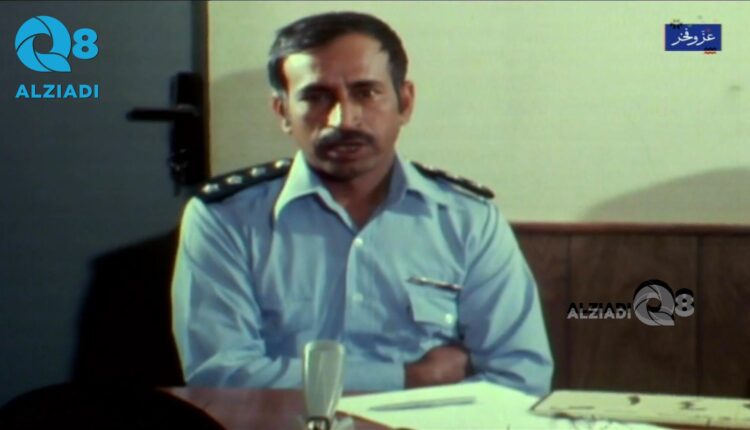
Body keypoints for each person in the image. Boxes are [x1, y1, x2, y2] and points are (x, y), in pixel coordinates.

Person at [171, 11, 553, 395]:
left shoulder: (468, 220)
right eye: (317, 97)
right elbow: (221, 376)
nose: (344, 120)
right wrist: (412, 377)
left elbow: (521, 376)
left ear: (405, 102)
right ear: (283, 111)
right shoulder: (225, 219)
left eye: (366, 93)